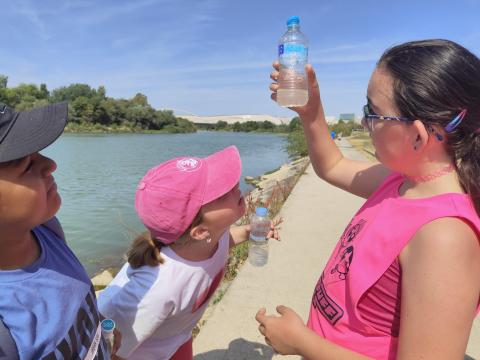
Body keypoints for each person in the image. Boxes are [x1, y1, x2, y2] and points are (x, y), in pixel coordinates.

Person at [256, 39, 480, 359]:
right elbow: (332, 166)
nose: (364, 123)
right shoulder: (402, 181)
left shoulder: (444, 236)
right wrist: (311, 109)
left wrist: (301, 343)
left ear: (418, 135)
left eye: (373, 113)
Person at [98, 146, 279, 360]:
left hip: (176, 338)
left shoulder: (209, 239)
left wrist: (249, 232)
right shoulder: (158, 290)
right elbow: (114, 351)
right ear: (200, 231)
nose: (235, 187)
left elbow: (224, 241)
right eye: (222, 194)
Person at [0, 102, 117, 358]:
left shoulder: (45, 230)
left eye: (37, 152)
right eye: (26, 164)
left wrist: (98, 323)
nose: (50, 164)